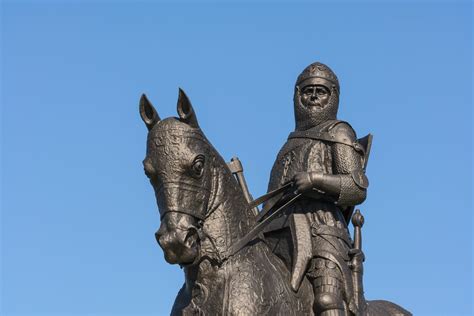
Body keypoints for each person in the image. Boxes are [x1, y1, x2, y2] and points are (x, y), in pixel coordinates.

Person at [265, 62, 369, 316]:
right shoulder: (289, 145)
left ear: (332, 96)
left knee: (326, 300)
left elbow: (357, 187)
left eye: (320, 91)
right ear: (297, 96)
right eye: (307, 90)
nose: (313, 96)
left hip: (323, 233)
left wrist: (316, 180)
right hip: (280, 236)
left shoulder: (339, 132)